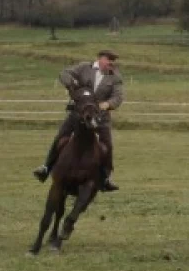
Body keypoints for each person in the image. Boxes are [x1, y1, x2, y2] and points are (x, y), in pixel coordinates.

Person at [33, 49, 124, 191]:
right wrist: (72, 84)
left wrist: (107, 104)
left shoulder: (115, 76)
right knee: (61, 137)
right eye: (108, 59)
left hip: (100, 117)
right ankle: (46, 168)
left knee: (108, 146)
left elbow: (118, 97)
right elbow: (64, 73)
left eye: (113, 61)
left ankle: (106, 178)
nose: (111, 63)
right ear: (100, 58)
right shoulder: (83, 68)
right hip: (78, 113)